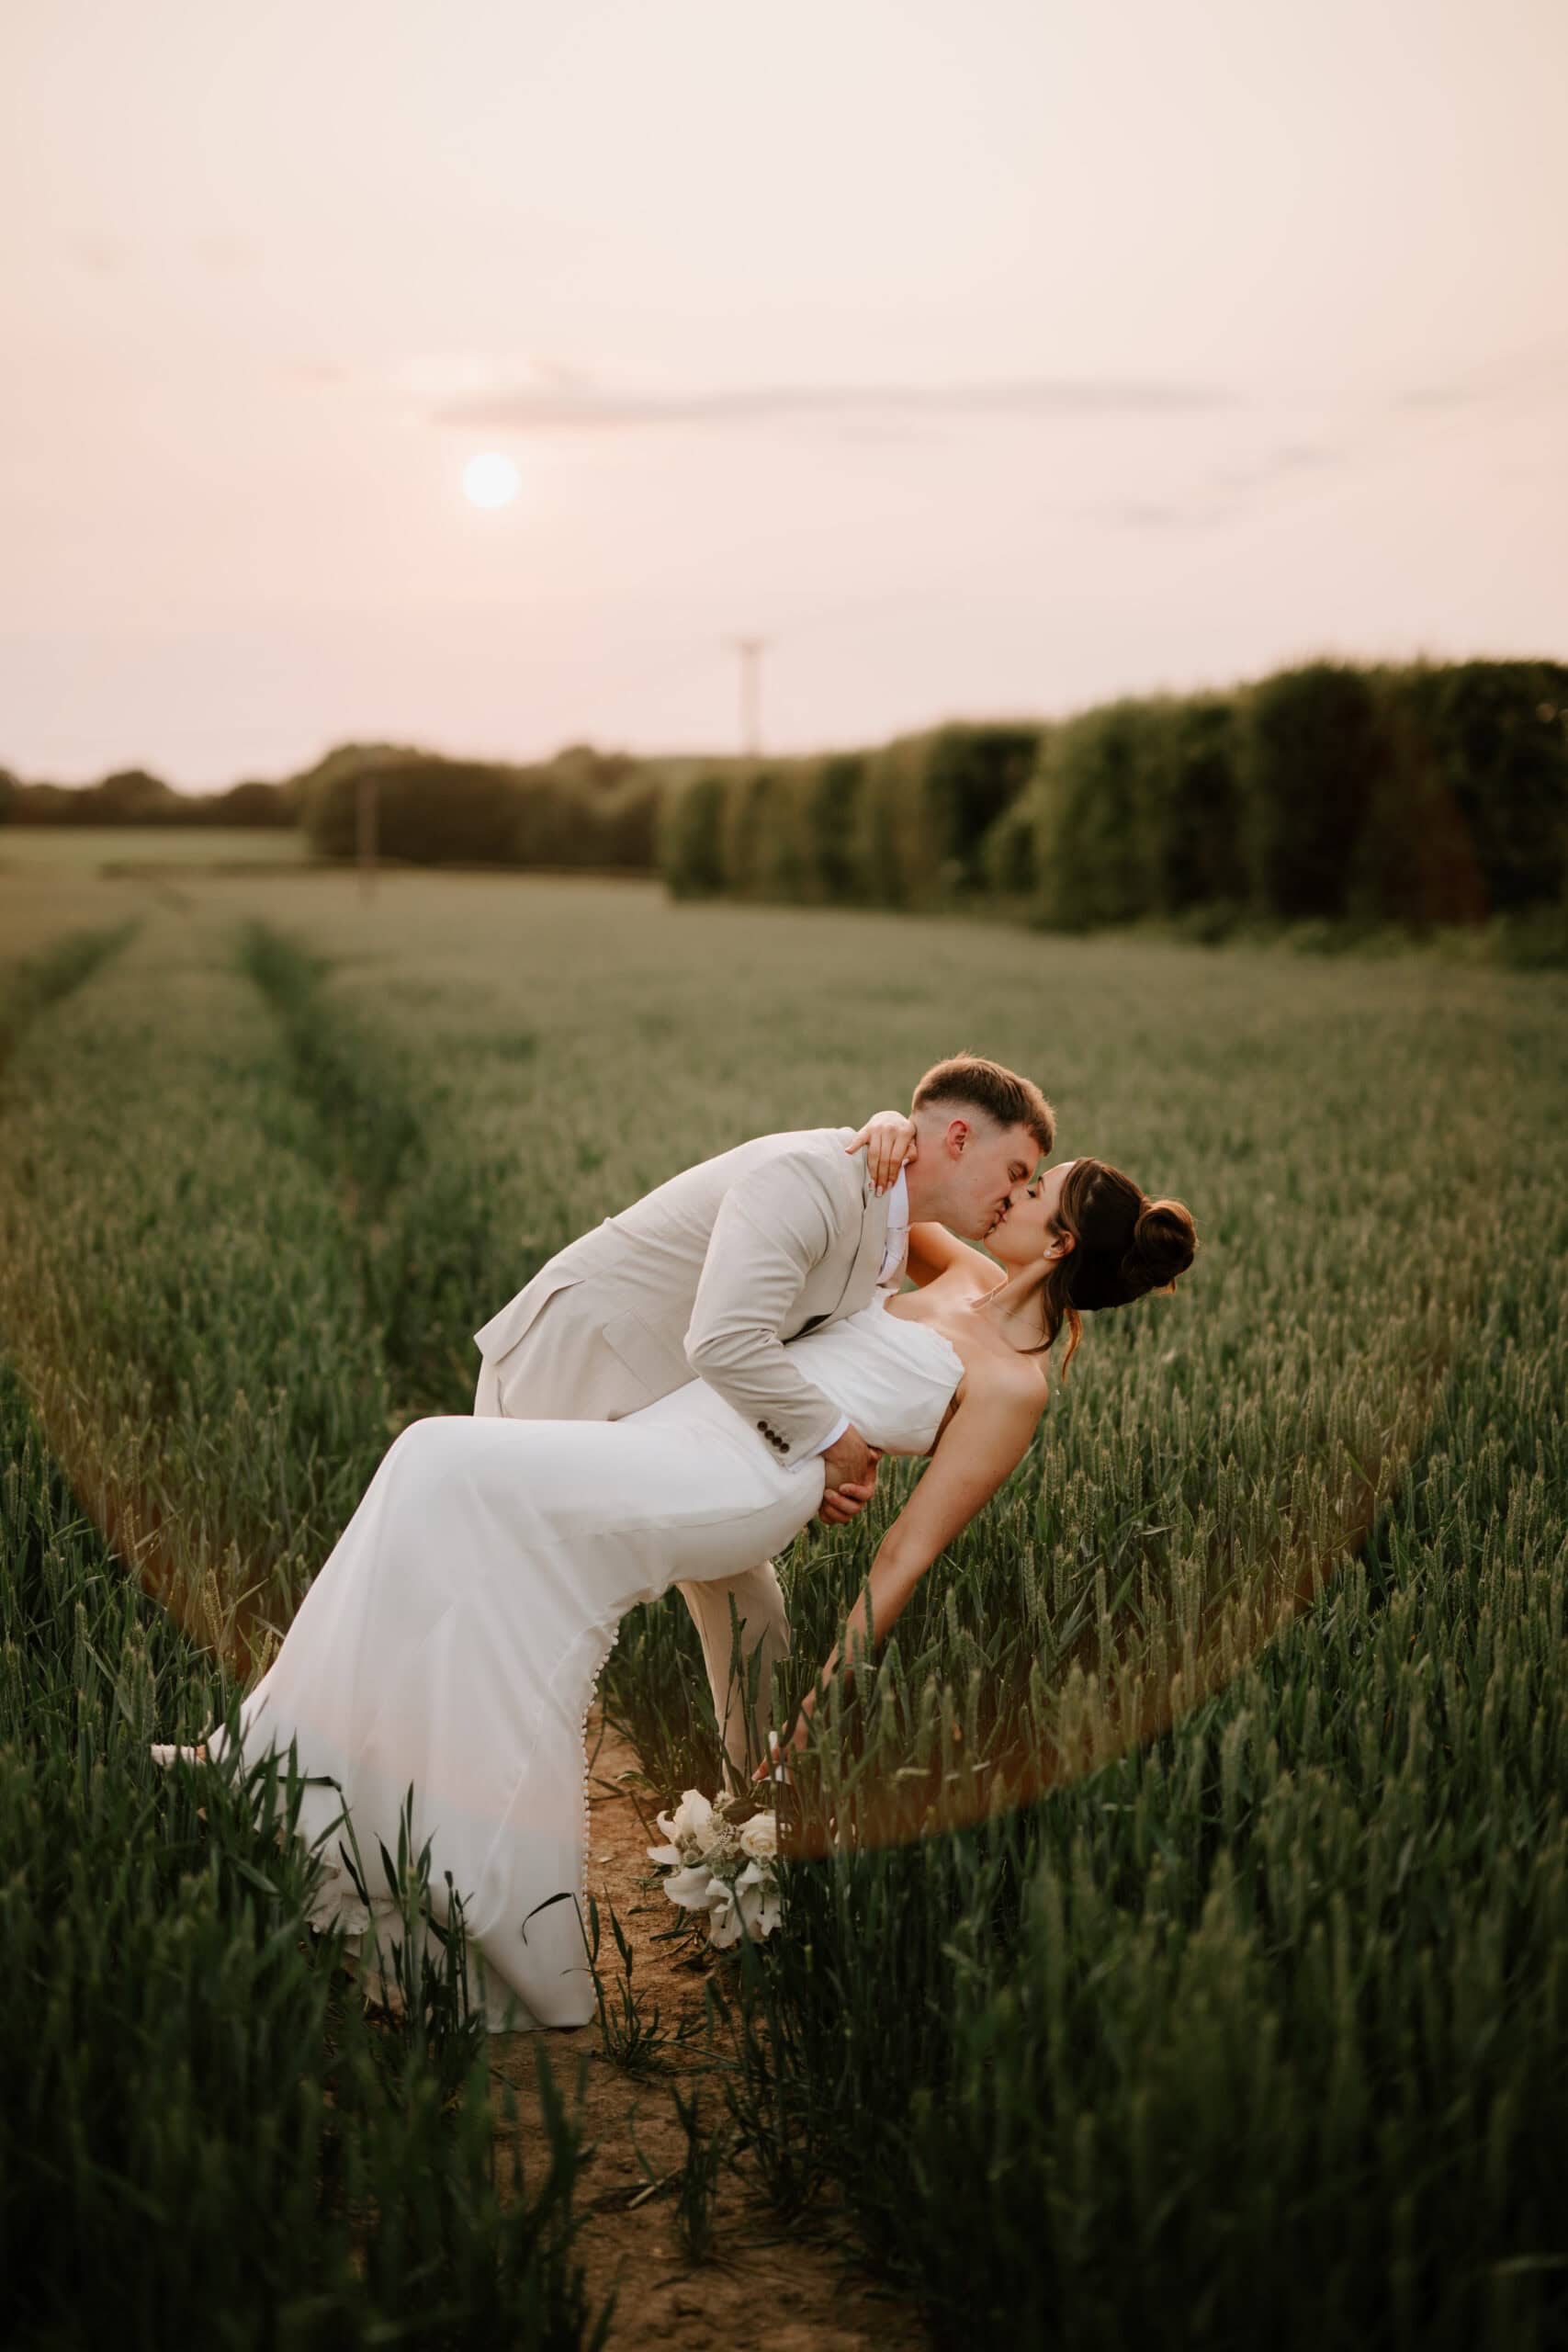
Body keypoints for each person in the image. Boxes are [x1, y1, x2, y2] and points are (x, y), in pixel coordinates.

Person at [152, 1125, 1195, 2038]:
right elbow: (893, 1183)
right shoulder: (962, 1271)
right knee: (435, 1474)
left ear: (1058, 1243)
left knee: (437, 1459)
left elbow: (903, 1555)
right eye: (1025, 1174)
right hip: (697, 1421)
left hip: (741, 1476)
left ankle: (460, 1897)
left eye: (1038, 1191)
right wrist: (884, 1122)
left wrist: (816, 1715)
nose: (1016, 1191)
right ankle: (290, 1767)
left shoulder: (1014, 1388)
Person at [470, 1056, 1055, 1786]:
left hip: (682, 1410)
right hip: (573, 1368)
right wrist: (833, 1444)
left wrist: (821, 1460)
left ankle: (754, 1811)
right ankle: (470, 1785)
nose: (1015, 1195)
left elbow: (824, 1347)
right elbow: (725, 1341)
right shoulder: (815, 1175)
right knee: (524, 1605)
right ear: (961, 1139)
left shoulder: (893, 1228)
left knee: (752, 1609)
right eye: (1016, 1170)